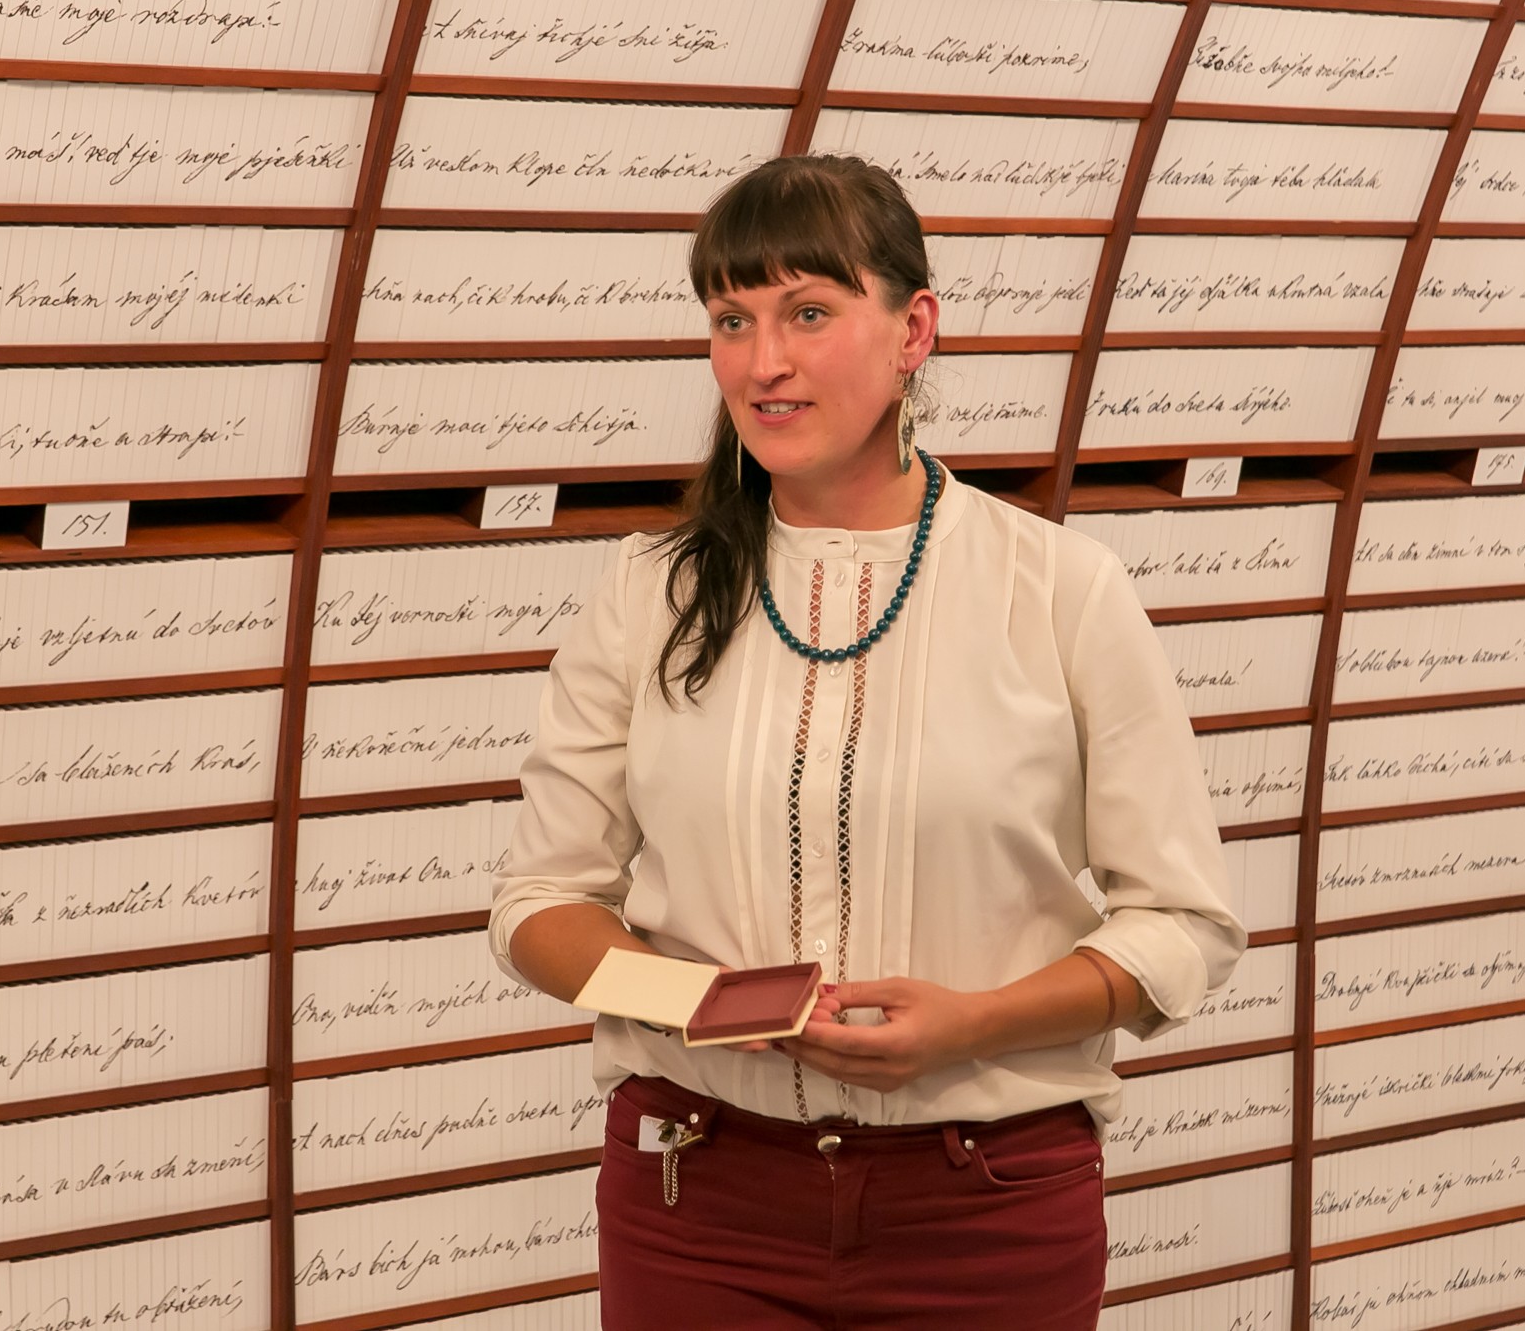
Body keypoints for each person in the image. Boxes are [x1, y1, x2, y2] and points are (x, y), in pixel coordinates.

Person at [489, 153, 1245, 1330]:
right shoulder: (648, 593)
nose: (761, 362)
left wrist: (976, 1024)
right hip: (696, 1197)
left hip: (988, 1210)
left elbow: (1183, 922)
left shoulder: (1061, 590)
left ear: (912, 332)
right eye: (730, 320)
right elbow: (540, 904)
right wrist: (701, 1001)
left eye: (806, 312)